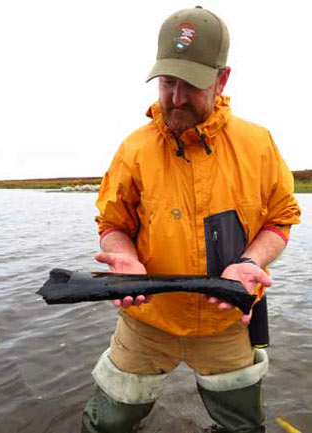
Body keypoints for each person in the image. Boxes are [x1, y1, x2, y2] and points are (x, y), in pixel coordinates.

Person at [81, 6, 301, 433]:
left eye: (192, 84)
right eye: (168, 82)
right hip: (147, 321)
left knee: (242, 424)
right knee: (109, 422)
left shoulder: (258, 145)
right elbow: (112, 225)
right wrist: (125, 259)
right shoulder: (133, 150)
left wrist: (252, 262)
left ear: (222, 80)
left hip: (227, 321)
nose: (176, 97)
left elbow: (280, 219)